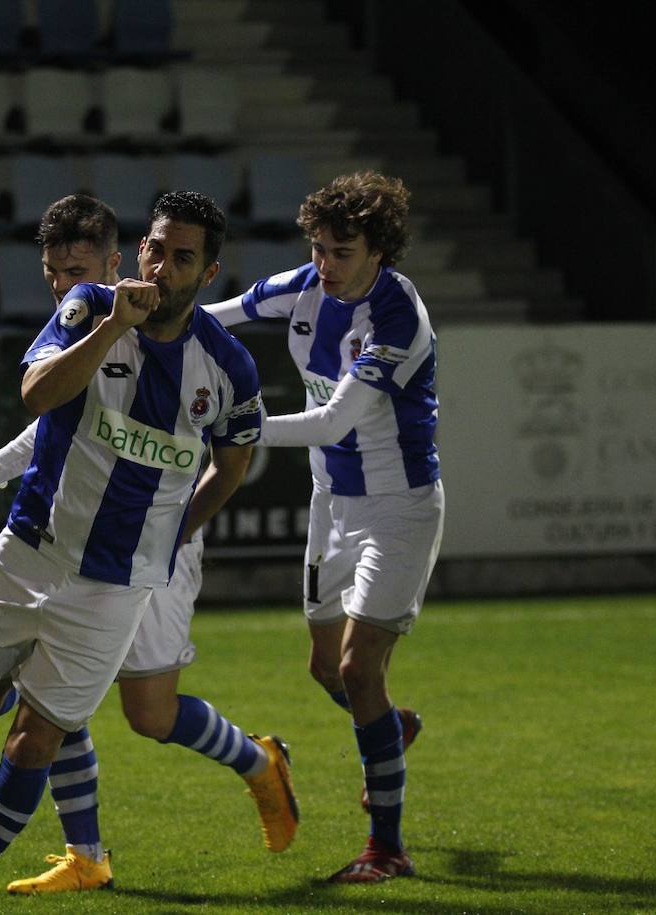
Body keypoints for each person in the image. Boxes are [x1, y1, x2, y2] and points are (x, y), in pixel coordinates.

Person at [0, 193, 298, 897]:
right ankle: (93, 838)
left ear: (207, 272)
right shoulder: (92, 311)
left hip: (129, 569)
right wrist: (111, 327)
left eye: (182, 257)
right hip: (37, 546)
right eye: (157, 249)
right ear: (138, 251)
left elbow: (232, 464)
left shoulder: (224, 366)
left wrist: (178, 532)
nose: (162, 267)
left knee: (132, 715)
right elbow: (43, 405)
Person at [205, 171, 443, 883]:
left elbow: (335, 420)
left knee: (357, 668)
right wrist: (140, 318)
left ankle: (386, 848)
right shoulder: (306, 286)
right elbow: (216, 315)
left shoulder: (397, 317)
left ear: (379, 251)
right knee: (323, 668)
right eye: (318, 248)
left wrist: (236, 427)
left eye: (343, 252)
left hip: (398, 508)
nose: (326, 264)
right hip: (331, 502)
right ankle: (391, 728)